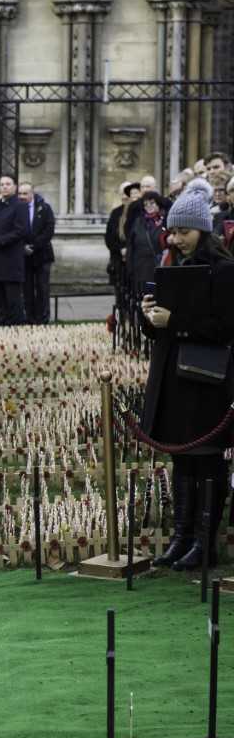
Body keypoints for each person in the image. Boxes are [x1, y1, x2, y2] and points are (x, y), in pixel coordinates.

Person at [141, 178, 234, 571]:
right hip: (173, 378)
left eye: (184, 232)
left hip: (207, 380)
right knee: (182, 459)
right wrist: (148, 317)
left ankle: (204, 541)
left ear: (203, 231)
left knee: (207, 459)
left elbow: (225, 327)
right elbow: (158, 330)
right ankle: (181, 536)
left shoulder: (224, 270)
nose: (176, 239)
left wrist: (175, 320)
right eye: (173, 231)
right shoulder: (171, 266)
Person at [0, 175, 27, 325]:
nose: (4, 187)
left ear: (15, 187)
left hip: (11, 262)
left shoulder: (20, 206)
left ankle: (17, 335)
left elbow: (21, 231)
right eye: (2, 184)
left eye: (8, 184)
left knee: (14, 304)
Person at [18, 182, 56, 324]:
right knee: (27, 290)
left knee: (42, 288)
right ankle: (30, 318)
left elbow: (49, 230)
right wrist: (22, 247)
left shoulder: (44, 208)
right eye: (20, 193)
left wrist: (33, 246)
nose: (22, 196)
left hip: (42, 255)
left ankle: (43, 319)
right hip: (24, 256)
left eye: (25, 193)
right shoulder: (16, 209)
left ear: (32, 194)